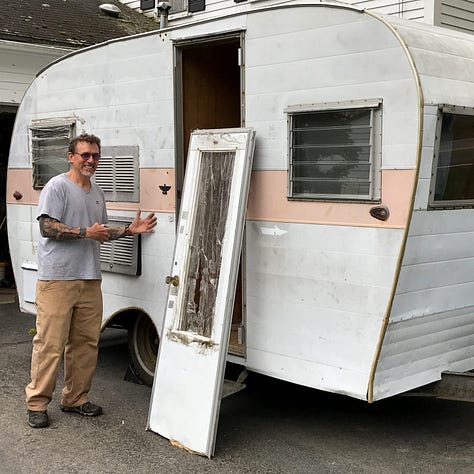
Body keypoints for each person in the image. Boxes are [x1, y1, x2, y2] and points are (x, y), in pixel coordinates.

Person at [26, 133, 157, 428]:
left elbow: (99, 231)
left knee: (85, 342)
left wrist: (127, 230)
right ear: (71, 157)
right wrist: (85, 232)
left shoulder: (96, 191)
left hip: (89, 278)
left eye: (95, 155)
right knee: (49, 343)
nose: (91, 161)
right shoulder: (57, 186)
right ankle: (36, 403)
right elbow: (47, 227)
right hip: (57, 278)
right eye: (85, 155)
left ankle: (74, 399)